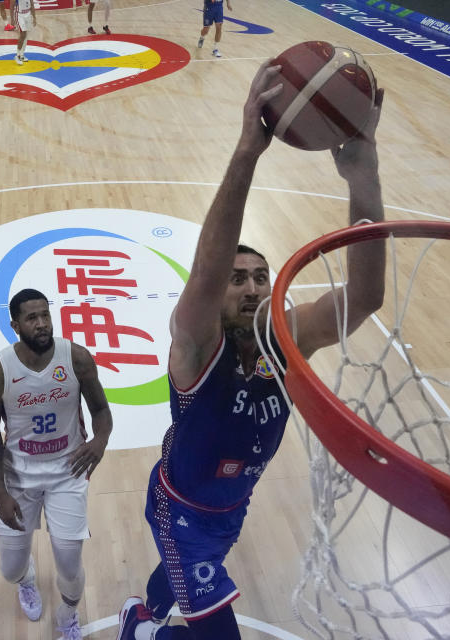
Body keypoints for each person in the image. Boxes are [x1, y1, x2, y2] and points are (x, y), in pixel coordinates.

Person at [115, 62, 386, 640]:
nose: (252, 287)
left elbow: (365, 298)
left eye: (261, 277)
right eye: (238, 279)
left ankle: (141, 616)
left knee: (175, 580)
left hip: (228, 510)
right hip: (180, 509)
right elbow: (206, 273)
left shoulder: (282, 340)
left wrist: (364, 174)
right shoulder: (195, 342)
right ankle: (150, 632)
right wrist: (247, 152)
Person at [0, 289, 113, 640]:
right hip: (19, 476)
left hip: (67, 472)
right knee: (10, 570)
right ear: (15, 325)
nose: (41, 324)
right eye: (31, 318)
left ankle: (68, 614)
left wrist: (99, 442)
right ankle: (26, 580)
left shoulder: (77, 358)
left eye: (45, 315)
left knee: (69, 564)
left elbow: (101, 410)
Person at [12, 0, 36, 65]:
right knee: (23, 34)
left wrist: (34, 17)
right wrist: (12, 19)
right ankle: (17, 56)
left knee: (26, 35)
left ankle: (22, 55)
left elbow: (32, 4)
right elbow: (12, 5)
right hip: (19, 15)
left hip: (28, 14)